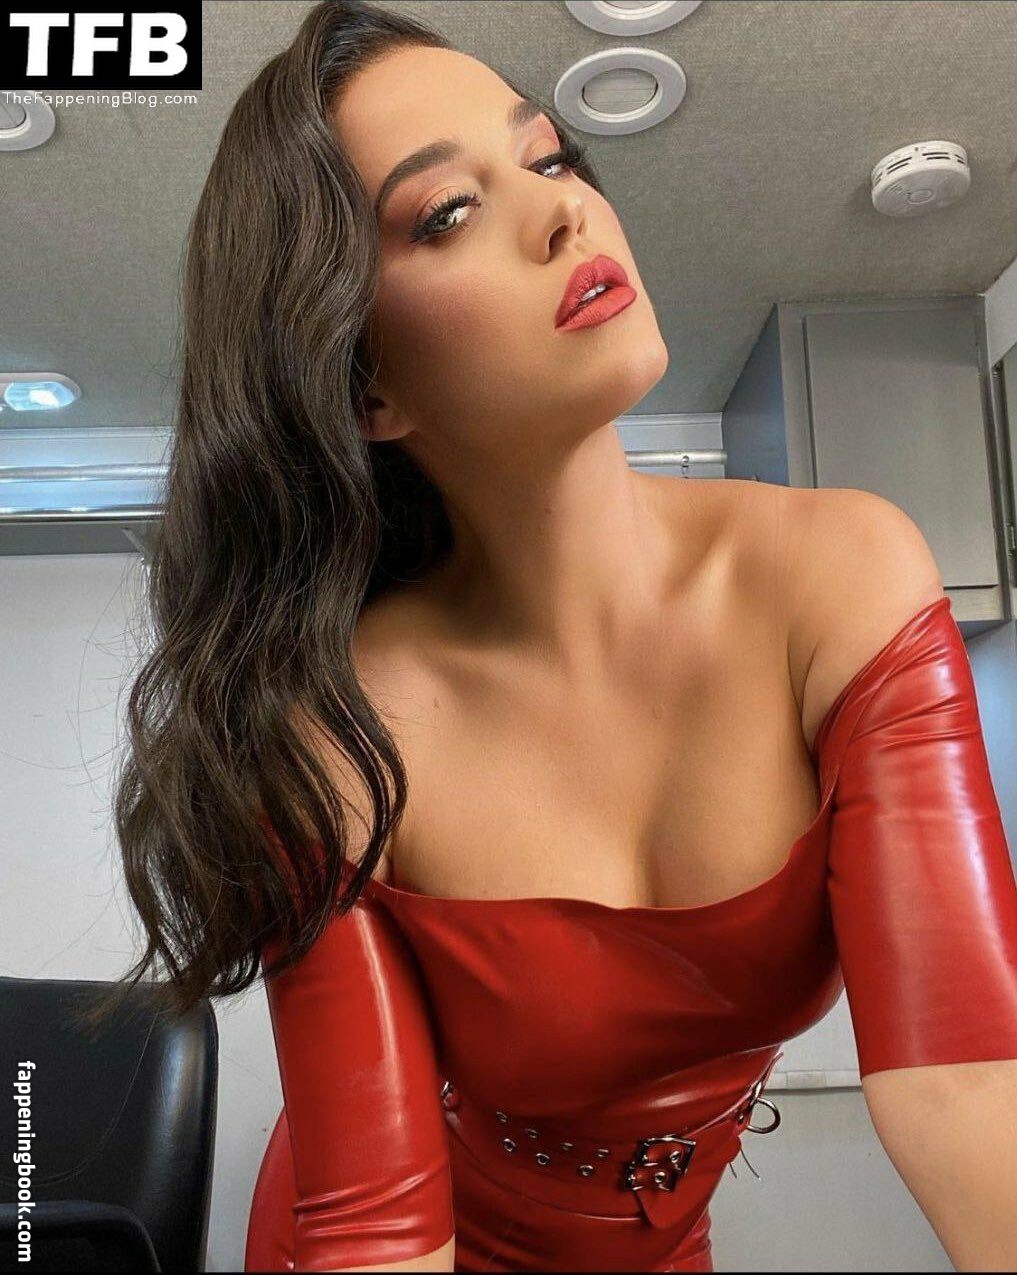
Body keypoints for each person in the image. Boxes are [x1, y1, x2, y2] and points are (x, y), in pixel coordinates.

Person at [86, 2, 1017, 1271]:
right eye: (447, 213)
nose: (564, 211)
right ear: (365, 384)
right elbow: (375, 1226)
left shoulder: (841, 577)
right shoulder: (333, 723)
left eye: (551, 158)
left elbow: (969, 1086)